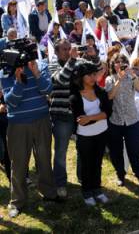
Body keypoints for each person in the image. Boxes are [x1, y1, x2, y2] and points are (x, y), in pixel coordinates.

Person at [2, 56, 60, 218]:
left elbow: (48, 90)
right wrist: (19, 81)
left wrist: (36, 74)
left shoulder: (40, 65)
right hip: (18, 124)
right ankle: (17, 201)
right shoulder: (6, 71)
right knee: (19, 163)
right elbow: (11, 102)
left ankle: (49, 192)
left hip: (41, 120)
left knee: (44, 158)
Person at [69, 61, 111, 206]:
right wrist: (99, 115)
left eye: (94, 74)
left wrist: (91, 117)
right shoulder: (75, 97)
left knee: (97, 163)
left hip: (102, 133)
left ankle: (97, 189)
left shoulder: (101, 92)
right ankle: (87, 192)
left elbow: (108, 113)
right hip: (85, 136)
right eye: (89, 75)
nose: (93, 77)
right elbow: (81, 121)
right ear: (81, 77)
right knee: (87, 165)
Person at [105, 54, 139, 187]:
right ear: (113, 65)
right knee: (116, 151)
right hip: (116, 120)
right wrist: (119, 79)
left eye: (123, 62)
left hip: (132, 120)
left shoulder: (131, 77)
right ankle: (120, 174)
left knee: (135, 150)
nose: (120, 65)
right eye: (117, 62)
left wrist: (133, 76)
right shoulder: (110, 79)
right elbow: (110, 96)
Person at [48, 39, 80, 198]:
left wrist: (92, 57)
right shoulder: (52, 65)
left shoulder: (77, 63)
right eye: (64, 49)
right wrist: (73, 60)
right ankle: (60, 183)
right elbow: (59, 80)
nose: (68, 52)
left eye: (70, 48)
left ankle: (83, 177)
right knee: (61, 151)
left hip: (79, 114)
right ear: (56, 52)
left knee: (83, 146)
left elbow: (91, 74)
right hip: (61, 115)